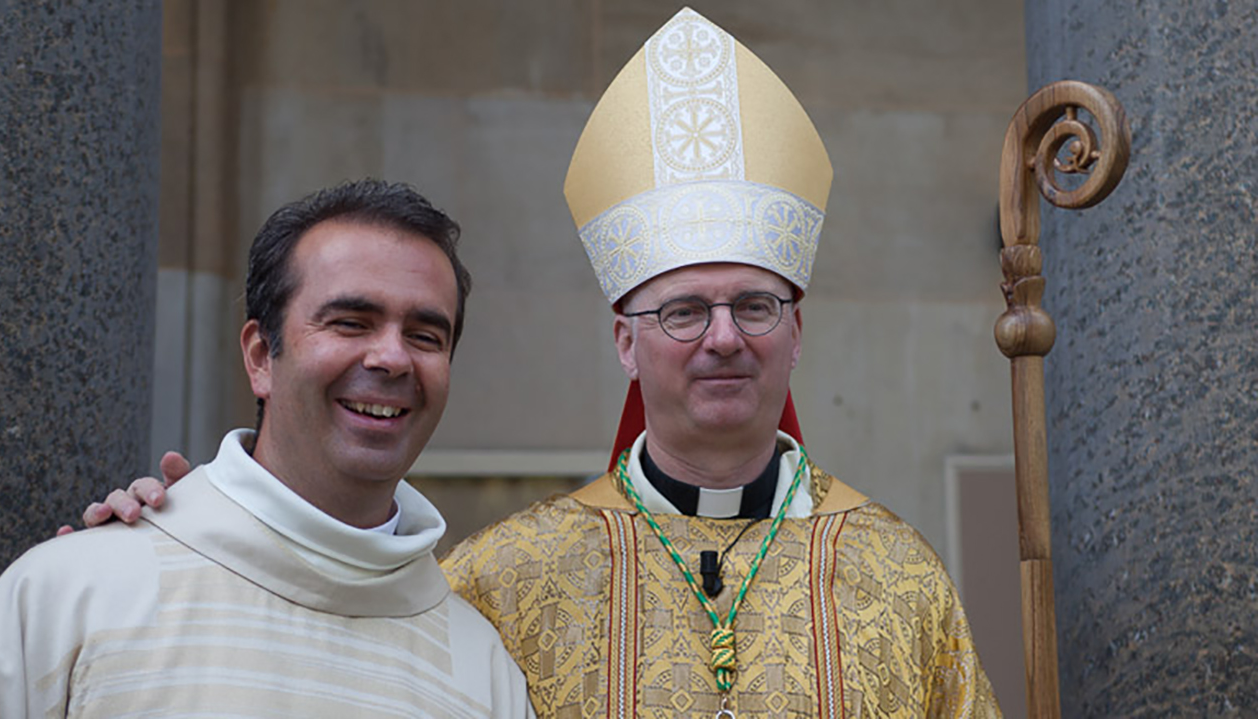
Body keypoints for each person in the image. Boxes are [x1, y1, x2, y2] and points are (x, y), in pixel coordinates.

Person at [75, 9, 1001, 717]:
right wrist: (190, 528)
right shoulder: (497, 578)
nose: (724, 337)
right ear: (624, 340)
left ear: (796, 332)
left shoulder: (901, 574)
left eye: (755, 305)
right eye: (682, 309)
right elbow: (318, 624)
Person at [0, 179, 533, 718]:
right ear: (261, 356)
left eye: (425, 336)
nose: (391, 358)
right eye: (350, 323)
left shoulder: (482, 671)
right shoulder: (70, 595)